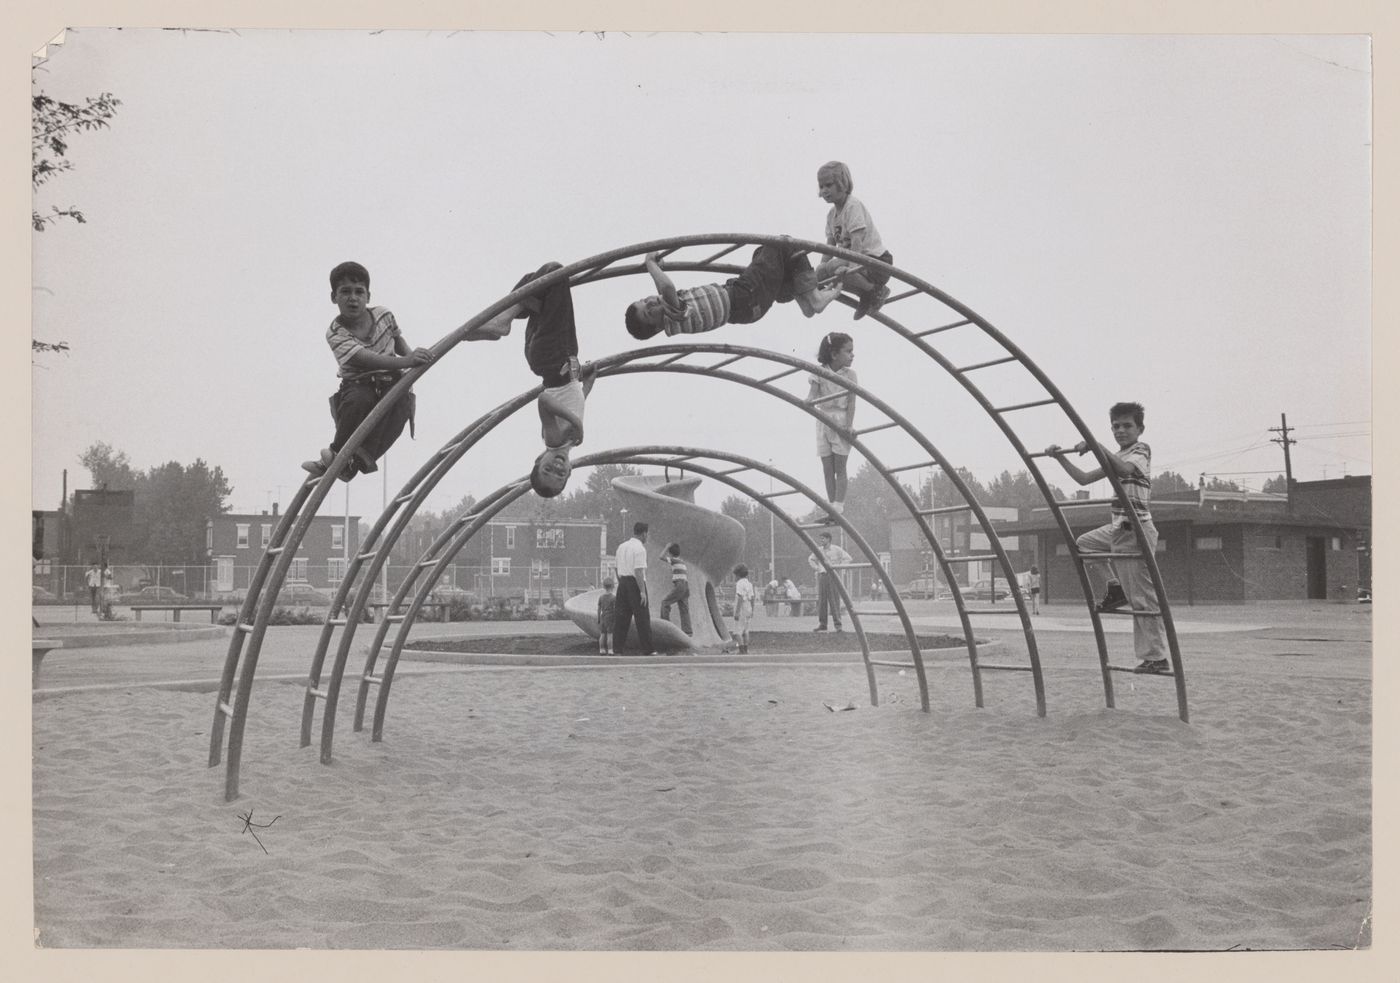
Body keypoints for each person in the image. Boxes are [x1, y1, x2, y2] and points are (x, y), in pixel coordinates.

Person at [1044, 401, 1169, 674]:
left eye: (1127, 426)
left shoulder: (1140, 451)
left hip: (1135, 530)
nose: (1121, 431)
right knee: (1084, 544)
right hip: (1118, 528)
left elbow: (1125, 471)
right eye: (1116, 426)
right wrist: (1060, 457)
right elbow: (1084, 478)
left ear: (1140, 429)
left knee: (1143, 598)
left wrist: (1095, 445)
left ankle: (1156, 657)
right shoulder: (1116, 455)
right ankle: (1115, 587)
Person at [463, 261, 598, 498]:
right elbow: (576, 397)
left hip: (552, 359)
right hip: (558, 362)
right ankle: (507, 316)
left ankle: (502, 322)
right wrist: (589, 377)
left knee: (554, 273)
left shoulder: (555, 439)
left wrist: (576, 424)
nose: (556, 468)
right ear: (570, 471)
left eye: (547, 469)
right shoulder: (572, 442)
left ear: (539, 458)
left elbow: (544, 399)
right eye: (560, 474)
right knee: (534, 287)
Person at [303, 261, 434, 481]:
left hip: (391, 380)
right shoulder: (336, 333)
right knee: (358, 402)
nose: (353, 298)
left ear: (368, 296)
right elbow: (368, 359)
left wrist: (412, 357)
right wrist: (408, 362)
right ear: (334, 297)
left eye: (359, 292)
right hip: (359, 382)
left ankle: (356, 460)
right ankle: (337, 452)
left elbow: (396, 339)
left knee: (400, 408)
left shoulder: (384, 315)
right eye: (345, 292)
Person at [623, 240, 843, 341]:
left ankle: (804, 299)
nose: (651, 303)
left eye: (645, 300)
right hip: (743, 296)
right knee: (779, 244)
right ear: (657, 327)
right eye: (648, 312)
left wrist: (658, 268)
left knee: (766, 257)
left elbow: (666, 290)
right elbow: (667, 287)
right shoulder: (674, 316)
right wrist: (651, 264)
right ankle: (813, 298)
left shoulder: (675, 313)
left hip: (744, 302)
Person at [814, 160, 894, 320]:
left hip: (876, 261)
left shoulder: (852, 206)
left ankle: (874, 290)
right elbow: (829, 247)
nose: (824, 191)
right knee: (822, 272)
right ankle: (866, 293)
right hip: (855, 261)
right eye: (821, 186)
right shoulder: (831, 215)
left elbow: (857, 242)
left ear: (842, 184)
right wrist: (819, 273)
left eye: (829, 185)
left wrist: (850, 268)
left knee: (836, 268)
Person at [805, 332, 857, 520]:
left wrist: (849, 426)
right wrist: (809, 401)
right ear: (834, 354)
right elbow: (812, 394)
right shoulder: (818, 372)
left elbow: (851, 402)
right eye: (848, 351)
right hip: (823, 420)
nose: (853, 355)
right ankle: (832, 508)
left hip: (841, 420)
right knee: (827, 469)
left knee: (840, 467)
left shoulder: (850, 375)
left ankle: (839, 506)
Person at [613, 521, 656, 655]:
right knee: (642, 617)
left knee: (621, 618)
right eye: (647, 534)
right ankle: (648, 649)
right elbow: (638, 571)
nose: (647, 537)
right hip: (635, 583)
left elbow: (616, 567)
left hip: (623, 582)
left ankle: (617, 649)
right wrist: (642, 592)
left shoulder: (622, 546)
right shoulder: (640, 549)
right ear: (644, 534)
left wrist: (622, 582)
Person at [808, 532, 853, 632]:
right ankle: (823, 624)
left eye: (823, 538)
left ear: (828, 539)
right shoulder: (819, 550)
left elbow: (848, 558)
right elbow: (810, 559)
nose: (821, 540)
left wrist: (838, 567)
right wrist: (817, 568)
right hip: (823, 576)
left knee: (834, 600)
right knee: (822, 601)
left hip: (833, 576)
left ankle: (838, 625)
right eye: (821, 538)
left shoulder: (836, 549)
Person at [657, 542, 692, 635]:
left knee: (665, 603)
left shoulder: (674, 560)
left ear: (670, 553)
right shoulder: (682, 561)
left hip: (680, 584)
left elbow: (661, 557)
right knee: (684, 609)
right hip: (686, 586)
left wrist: (666, 547)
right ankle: (688, 631)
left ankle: (665, 626)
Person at [731, 564, 756, 655]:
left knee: (737, 631)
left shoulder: (739, 583)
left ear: (737, 574)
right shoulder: (749, 584)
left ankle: (741, 650)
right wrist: (752, 610)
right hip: (749, 606)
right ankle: (746, 649)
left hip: (742, 607)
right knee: (746, 630)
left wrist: (737, 612)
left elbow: (740, 598)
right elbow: (753, 597)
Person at [596, 577, 617, 655]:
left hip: (603, 617)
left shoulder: (601, 597)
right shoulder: (613, 598)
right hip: (610, 617)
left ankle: (601, 649)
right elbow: (615, 609)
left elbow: (598, 609)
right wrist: (615, 618)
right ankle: (610, 650)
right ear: (613, 586)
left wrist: (598, 618)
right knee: (610, 634)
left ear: (604, 587)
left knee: (602, 634)